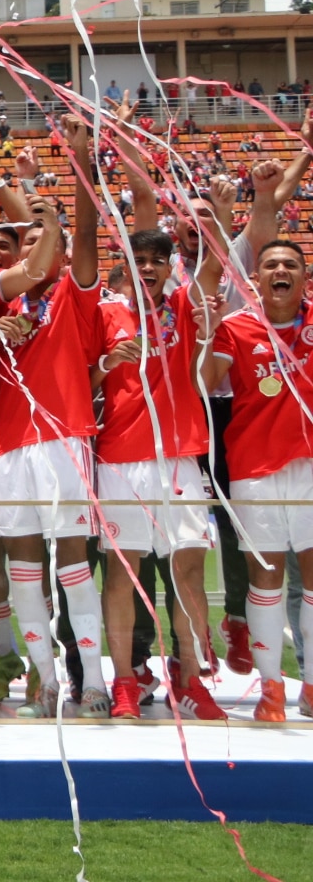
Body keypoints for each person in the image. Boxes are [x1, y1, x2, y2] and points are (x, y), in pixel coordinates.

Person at [0, 125, 106, 718]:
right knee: (23, 570)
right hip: (11, 447)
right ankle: (48, 683)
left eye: (45, 239)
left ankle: (96, 684)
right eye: (29, 242)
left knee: (74, 563)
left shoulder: (75, 297)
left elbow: (86, 232)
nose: (39, 247)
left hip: (62, 439)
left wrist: (80, 159)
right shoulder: (6, 306)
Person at [94, 230, 224, 720]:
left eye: (156, 261)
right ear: (125, 267)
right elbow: (80, 377)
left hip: (178, 457)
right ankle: (125, 681)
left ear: (169, 267)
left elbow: (213, 267)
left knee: (187, 571)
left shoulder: (186, 307)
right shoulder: (104, 314)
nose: (147, 268)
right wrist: (108, 361)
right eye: (138, 261)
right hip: (121, 459)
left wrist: (218, 215)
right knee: (122, 575)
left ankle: (190, 679)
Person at [205, 238, 313, 723]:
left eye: (290, 264)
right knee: (265, 580)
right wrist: (206, 332)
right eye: (270, 264)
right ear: (257, 279)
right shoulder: (236, 326)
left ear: (304, 277)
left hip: (310, 466)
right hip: (254, 468)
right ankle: (271, 689)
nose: (280, 270)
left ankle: (311, 686)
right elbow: (206, 383)